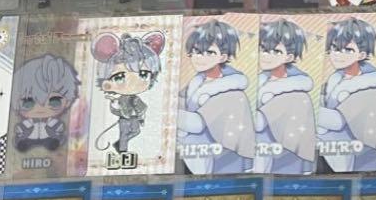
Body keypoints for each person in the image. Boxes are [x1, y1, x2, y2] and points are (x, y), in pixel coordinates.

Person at [318, 19, 376, 171]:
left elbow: (337, 122)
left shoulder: (371, 90)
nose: (338, 55)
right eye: (335, 48)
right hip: (337, 156)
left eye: (348, 50)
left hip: (367, 161)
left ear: (361, 54)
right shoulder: (335, 80)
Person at [177, 20, 255, 174]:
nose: (200, 57)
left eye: (209, 52)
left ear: (223, 56)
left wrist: (167, 114)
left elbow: (196, 124)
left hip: (223, 161)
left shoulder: (231, 92)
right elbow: (179, 101)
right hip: (194, 155)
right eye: (197, 51)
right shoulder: (196, 81)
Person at [255, 19, 316, 174]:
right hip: (259, 151)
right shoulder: (257, 80)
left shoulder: (297, 92)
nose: (267, 56)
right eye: (264, 50)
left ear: (288, 57)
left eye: (276, 52)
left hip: (287, 157)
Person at [91, 31, 164, 155]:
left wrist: (141, 117)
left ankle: (119, 145)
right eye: (119, 77)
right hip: (124, 119)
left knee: (136, 131)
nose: (133, 84)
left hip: (134, 118)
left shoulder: (135, 98)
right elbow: (115, 110)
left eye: (143, 74)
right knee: (124, 134)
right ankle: (122, 151)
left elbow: (142, 108)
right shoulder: (120, 99)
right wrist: (115, 105)